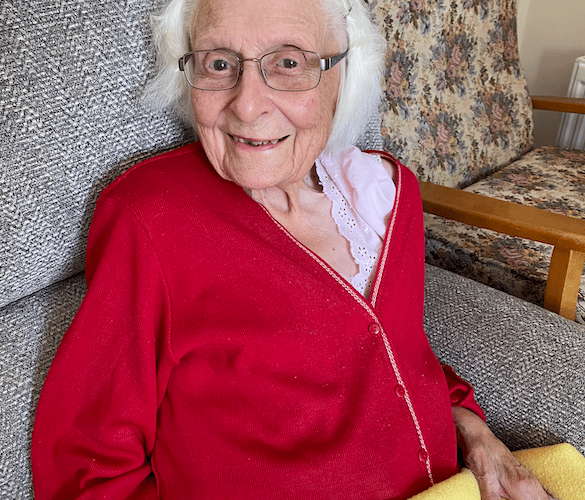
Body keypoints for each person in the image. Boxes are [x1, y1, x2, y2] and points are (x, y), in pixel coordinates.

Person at [31, 0, 553, 498]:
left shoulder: (386, 195)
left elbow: (400, 351)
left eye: (288, 62)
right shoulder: (150, 216)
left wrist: (477, 436)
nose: (248, 104)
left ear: (342, 74)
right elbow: (85, 463)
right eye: (218, 62)